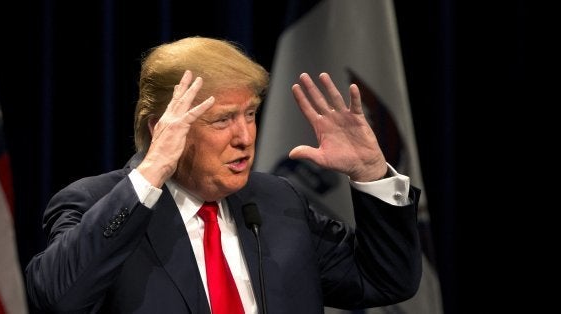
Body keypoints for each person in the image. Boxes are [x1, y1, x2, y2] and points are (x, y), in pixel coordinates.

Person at [25, 36, 421, 313]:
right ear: (161, 127)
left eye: (249, 114)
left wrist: (372, 173)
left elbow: (385, 280)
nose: (245, 137)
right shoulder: (95, 204)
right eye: (222, 120)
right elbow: (59, 298)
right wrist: (150, 174)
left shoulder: (277, 201)